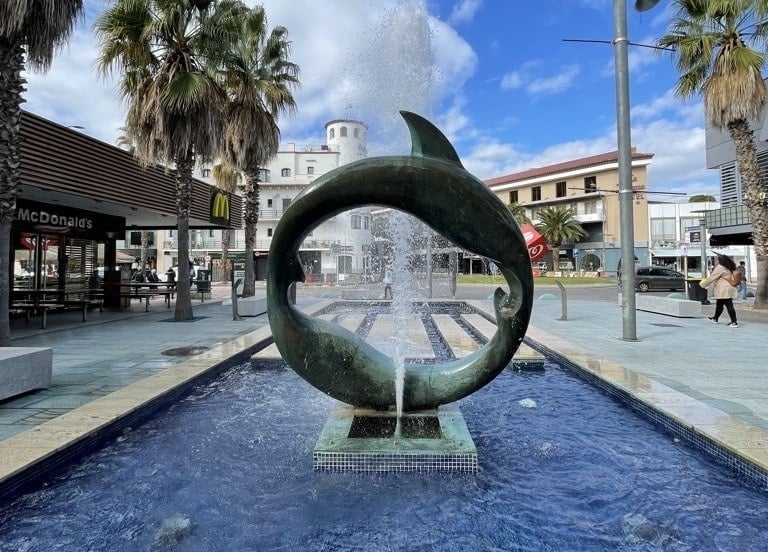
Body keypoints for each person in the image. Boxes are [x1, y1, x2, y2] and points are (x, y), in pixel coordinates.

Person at [700, 255, 739, 327]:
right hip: (730, 287)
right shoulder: (730, 266)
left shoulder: (721, 267)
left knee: (729, 305)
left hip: (723, 289)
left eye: (718, 260)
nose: (717, 261)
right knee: (719, 304)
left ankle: (734, 322)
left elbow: (712, 277)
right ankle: (715, 318)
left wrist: (703, 285)